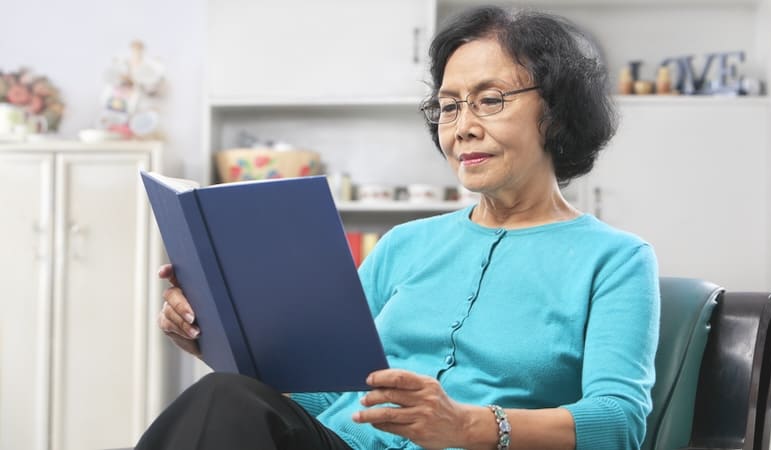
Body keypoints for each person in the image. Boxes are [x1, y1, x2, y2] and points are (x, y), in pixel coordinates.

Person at [138, 6, 659, 450]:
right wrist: (218, 343)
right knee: (226, 396)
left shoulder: (615, 259)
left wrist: (467, 424)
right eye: (449, 105)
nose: (462, 126)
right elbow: (327, 394)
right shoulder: (404, 245)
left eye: (490, 100)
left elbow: (620, 421)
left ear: (557, 111)